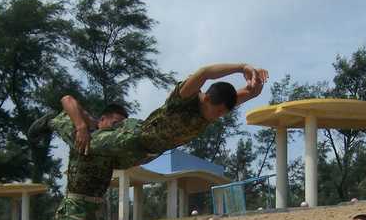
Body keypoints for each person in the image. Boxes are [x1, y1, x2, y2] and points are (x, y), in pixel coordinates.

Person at [43, 63, 268, 169]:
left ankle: (88, 121)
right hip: (133, 137)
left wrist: (256, 81)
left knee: (102, 165)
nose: (218, 117)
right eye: (218, 112)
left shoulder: (219, 104)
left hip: (148, 152)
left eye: (223, 114)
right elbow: (204, 73)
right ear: (208, 99)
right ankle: (56, 120)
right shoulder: (186, 98)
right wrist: (241, 67)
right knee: (85, 146)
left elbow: (250, 92)